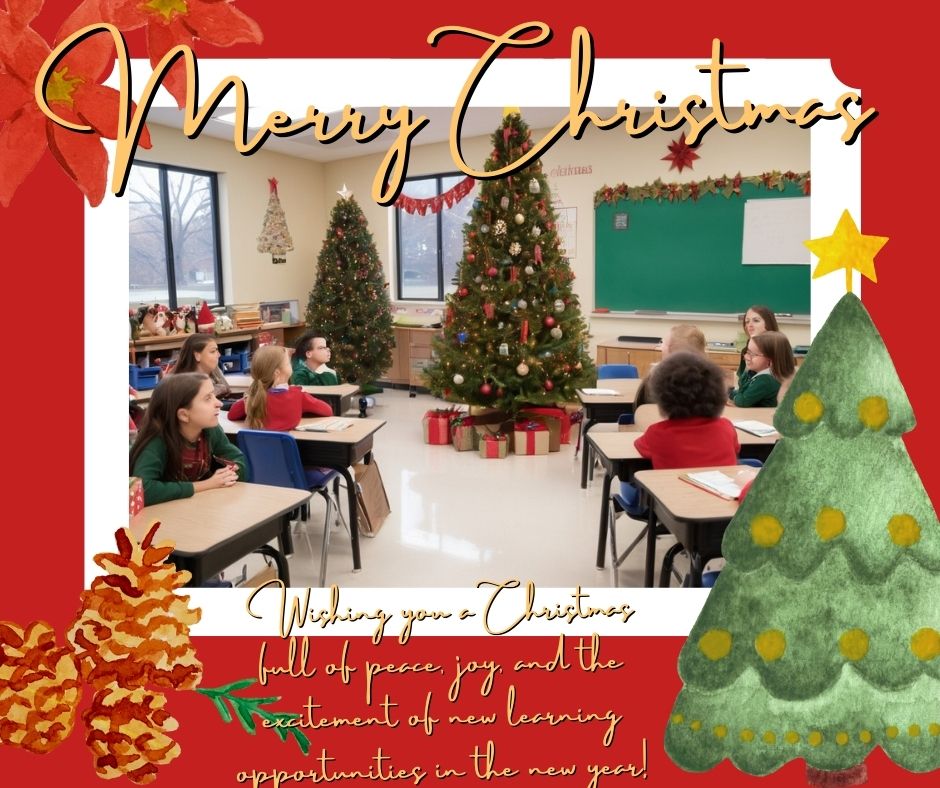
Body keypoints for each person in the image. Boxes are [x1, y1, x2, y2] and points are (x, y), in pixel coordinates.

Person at [129, 372, 246, 506]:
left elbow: (237, 458)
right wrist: (206, 484)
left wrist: (230, 474)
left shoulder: (209, 429)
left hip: (193, 506)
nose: (219, 403)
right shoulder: (157, 442)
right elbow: (142, 490)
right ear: (184, 415)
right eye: (208, 398)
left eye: (214, 395)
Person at [635, 352, 740, 468]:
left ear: (662, 397)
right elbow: (736, 450)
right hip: (723, 485)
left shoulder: (656, 433)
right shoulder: (726, 427)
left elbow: (639, 446)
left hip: (671, 486)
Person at [229, 345, 332, 429]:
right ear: (277, 372)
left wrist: (247, 397)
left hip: (257, 454)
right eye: (288, 363)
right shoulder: (298, 395)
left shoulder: (252, 399)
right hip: (292, 452)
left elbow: (232, 415)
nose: (290, 364)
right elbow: (327, 410)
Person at [634, 324, 706, 408]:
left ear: (670, 351)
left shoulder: (655, 378)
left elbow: (642, 408)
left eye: (662, 343)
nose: (660, 347)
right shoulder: (710, 379)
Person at [729, 331, 795, 407]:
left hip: (763, 416)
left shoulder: (765, 380)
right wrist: (730, 392)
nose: (746, 357)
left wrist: (733, 396)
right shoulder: (758, 373)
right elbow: (744, 390)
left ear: (770, 361)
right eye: (747, 352)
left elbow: (743, 401)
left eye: (753, 354)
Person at [173, 333, 233, 399]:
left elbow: (227, 390)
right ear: (197, 356)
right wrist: (216, 391)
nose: (219, 355)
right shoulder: (183, 385)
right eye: (213, 351)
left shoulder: (213, 369)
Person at [736, 305, 780, 389]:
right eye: (747, 321)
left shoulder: (779, 348)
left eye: (756, 321)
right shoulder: (745, 351)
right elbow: (741, 383)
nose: (750, 325)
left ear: (768, 323)